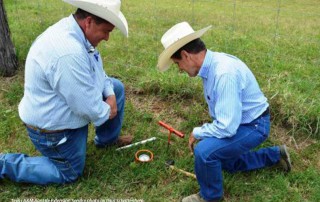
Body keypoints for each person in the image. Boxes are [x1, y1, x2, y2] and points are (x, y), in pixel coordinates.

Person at [0, 0, 133, 185]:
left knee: (115, 87)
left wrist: (110, 94)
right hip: (52, 131)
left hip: (60, 106)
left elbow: (97, 69)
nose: (107, 38)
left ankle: (107, 140)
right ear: (88, 22)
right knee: (69, 172)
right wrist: (107, 111)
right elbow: (86, 107)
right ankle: (4, 164)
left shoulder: (77, 33)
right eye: (106, 31)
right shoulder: (68, 53)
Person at [157, 22, 292, 202]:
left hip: (254, 126)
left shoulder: (223, 74)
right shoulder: (212, 65)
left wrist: (198, 132)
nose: (179, 69)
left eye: (177, 64)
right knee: (225, 161)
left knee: (205, 152)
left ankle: (210, 196)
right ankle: (276, 154)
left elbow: (227, 127)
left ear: (186, 55)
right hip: (243, 122)